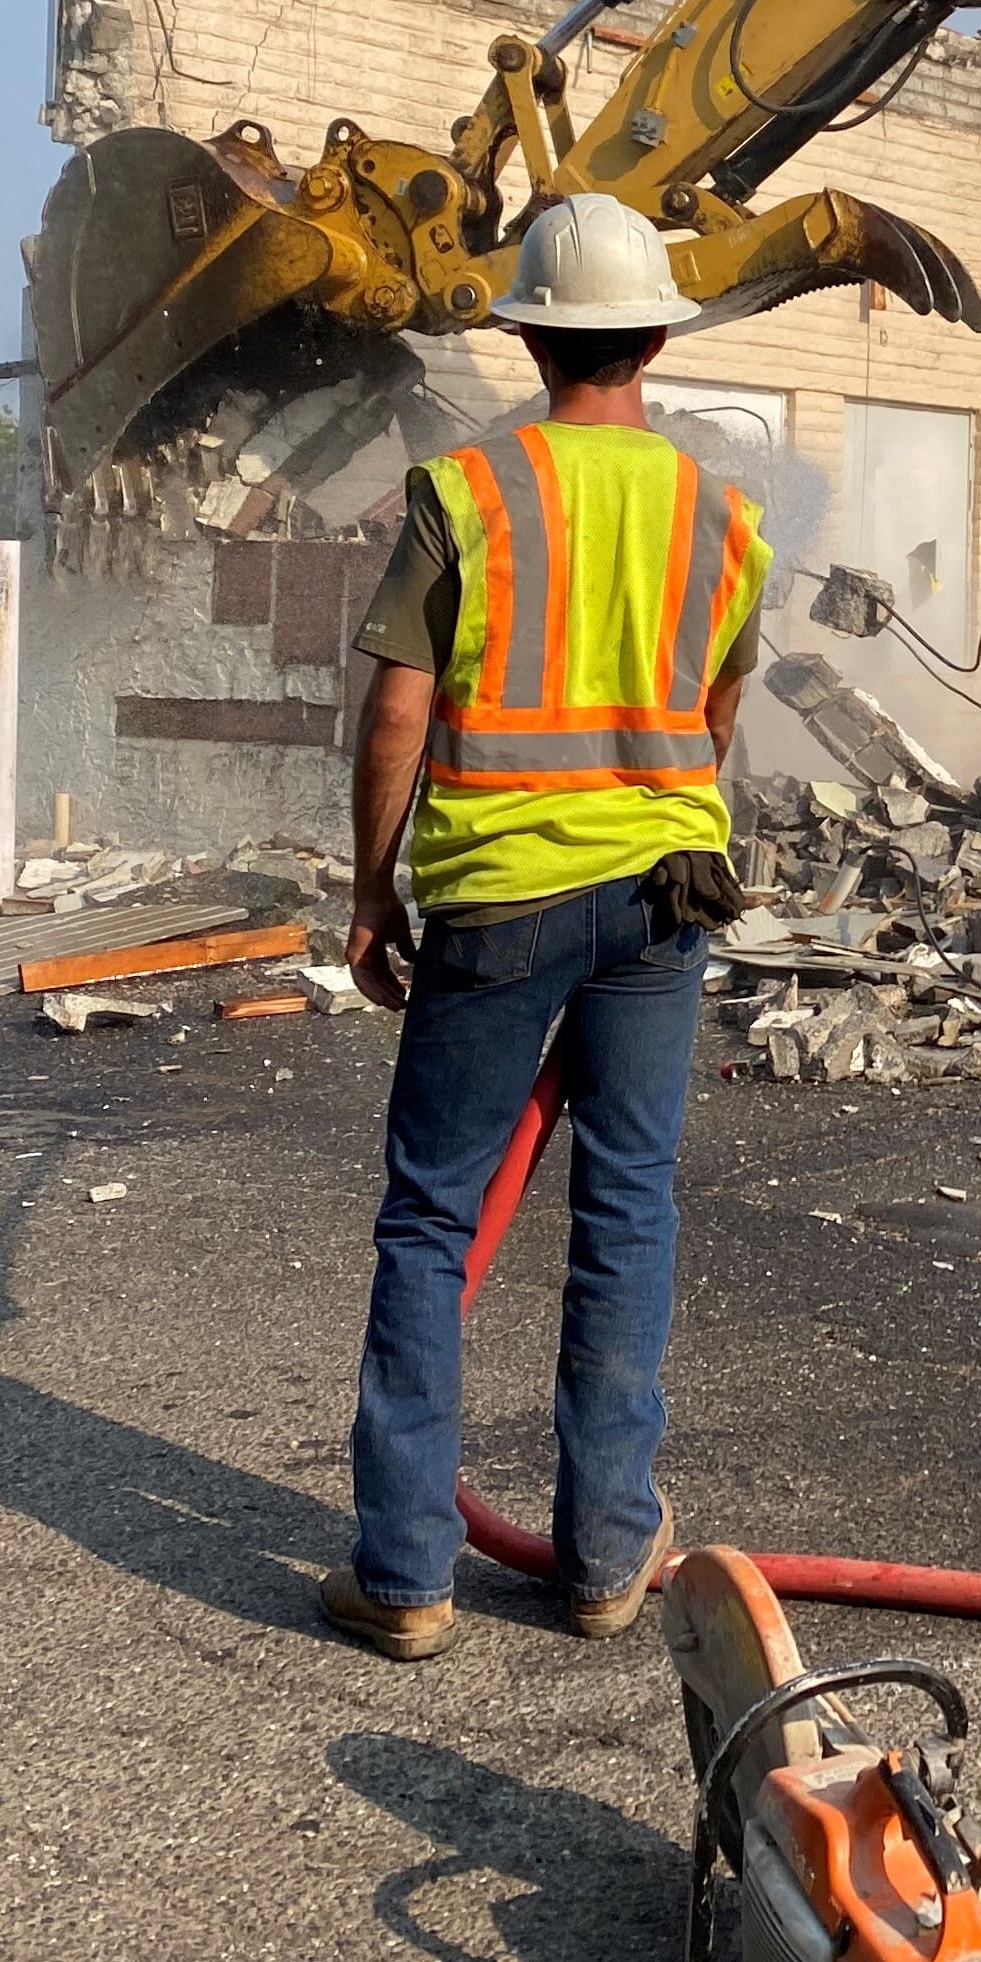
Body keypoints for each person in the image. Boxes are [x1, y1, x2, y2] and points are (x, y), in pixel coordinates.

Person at [318, 193, 771, 1661]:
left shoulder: (468, 494)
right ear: (652, 335)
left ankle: (406, 1578)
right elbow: (713, 710)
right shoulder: (724, 515)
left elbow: (399, 708)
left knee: (436, 1216)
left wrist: (372, 889)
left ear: (529, 338)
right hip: (662, 899)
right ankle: (601, 1561)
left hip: (501, 899)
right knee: (628, 1205)